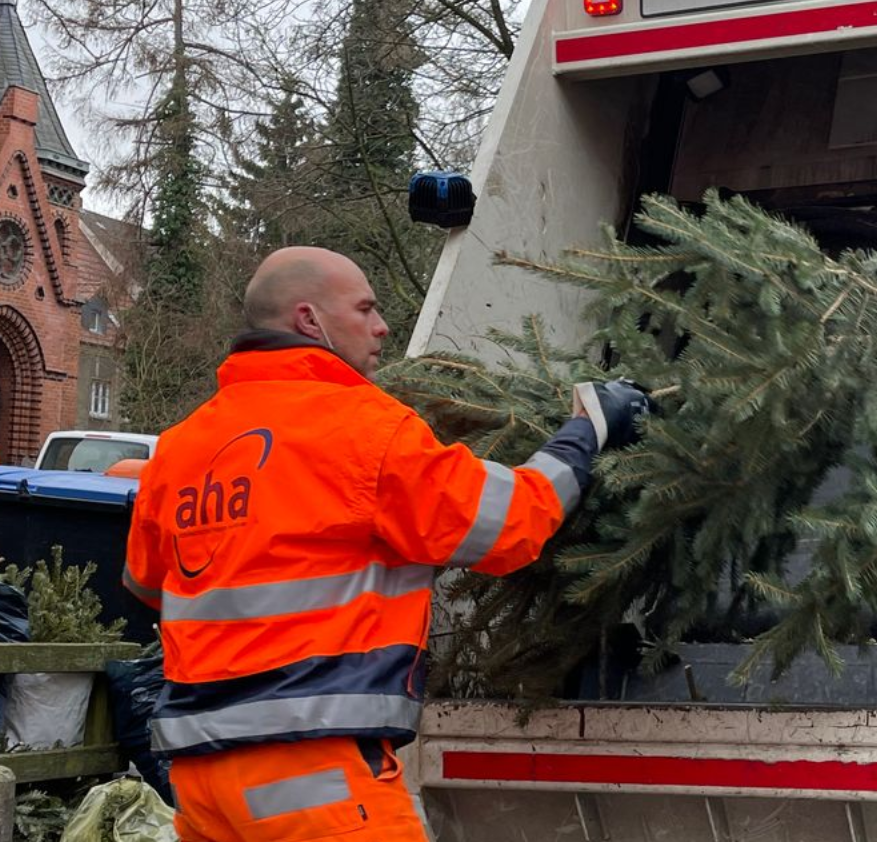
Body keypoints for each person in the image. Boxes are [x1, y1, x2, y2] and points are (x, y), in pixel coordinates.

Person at [122, 247, 650, 842]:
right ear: (309, 320)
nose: (382, 326)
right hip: (311, 769)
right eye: (365, 309)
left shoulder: (181, 446)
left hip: (200, 777)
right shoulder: (362, 427)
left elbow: (147, 583)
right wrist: (588, 430)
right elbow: (508, 522)